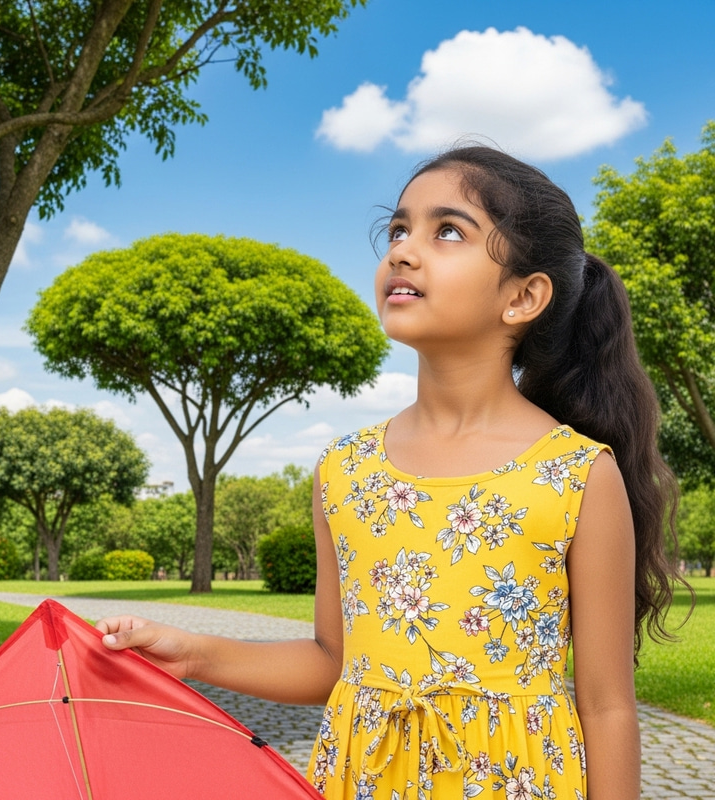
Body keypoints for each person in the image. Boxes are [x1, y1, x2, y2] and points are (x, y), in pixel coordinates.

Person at [96, 145, 685, 800]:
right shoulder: (345, 470)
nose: (403, 251)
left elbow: (607, 707)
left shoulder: (576, 474)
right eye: (398, 229)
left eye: (448, 231)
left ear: (524, 296)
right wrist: (193, 653)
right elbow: (332, 662)